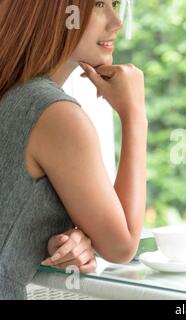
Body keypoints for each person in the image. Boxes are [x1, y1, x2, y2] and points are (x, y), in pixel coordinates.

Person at [0, 0, 147, 299]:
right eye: (97, 4)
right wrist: (134, 116)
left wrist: (71, 237)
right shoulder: (54, 115)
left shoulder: (14, 94)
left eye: (115, 3)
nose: (116, 21)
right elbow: (122, 246)